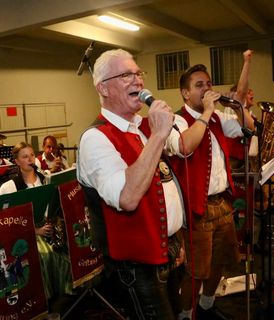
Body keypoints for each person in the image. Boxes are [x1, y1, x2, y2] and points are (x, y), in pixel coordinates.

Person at [77, 48, 184, 319]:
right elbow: (127, 197)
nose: (138, 80)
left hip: (168, 249)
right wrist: (160, 135)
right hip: (136, 266)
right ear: (104, 88)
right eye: (126, 75)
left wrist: (175, 241)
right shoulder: (95, 138)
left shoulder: (141, 127)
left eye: (139, 73)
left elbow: (164, 183)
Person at [167, 50, 255, 320]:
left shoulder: (218, 117)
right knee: (197, 270)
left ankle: (207, 304)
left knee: (221, 262)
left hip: (223, 203)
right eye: (199, 85)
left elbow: (248, 127)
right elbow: (184, 147)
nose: (206, 88)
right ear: (185, 93)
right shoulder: (177, 119)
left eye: (208, 83)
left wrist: (240, 105)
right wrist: (206, 112)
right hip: (197, 208)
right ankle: (185, 313)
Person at [0, 142, 75, 310]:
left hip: (48, 226)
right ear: (16, 161)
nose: (30, 159)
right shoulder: (8, 187)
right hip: (25, 232)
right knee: (45, 254)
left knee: (70, 247)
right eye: (24, 157)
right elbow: (6, 223)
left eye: (32, 155)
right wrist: (35, 230)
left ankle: (67, 295)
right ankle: (44, 301)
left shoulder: (45, 179)